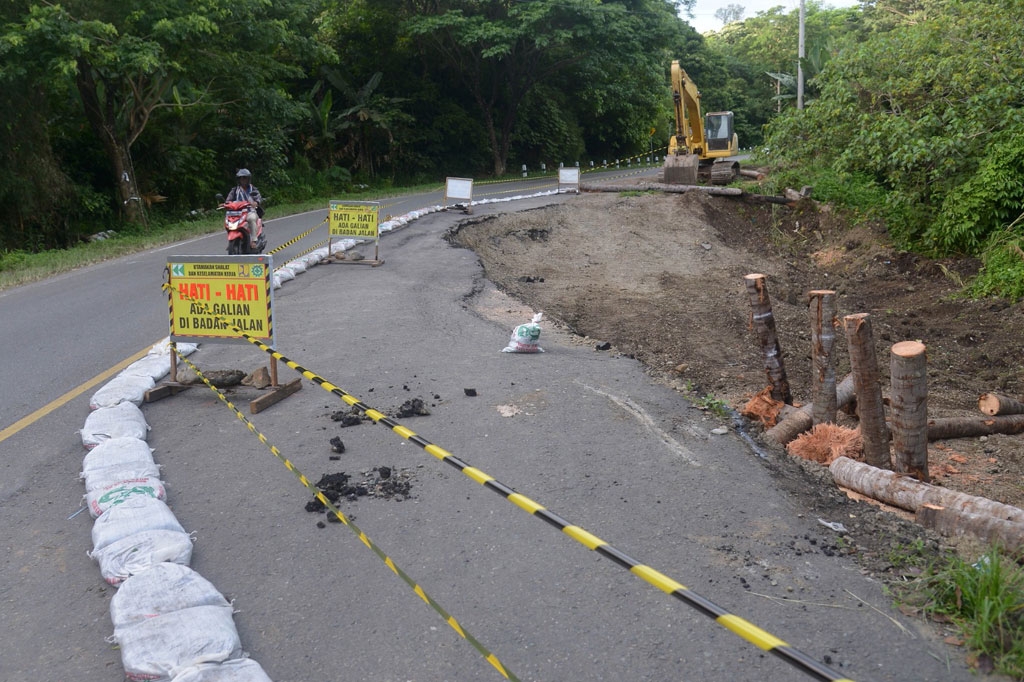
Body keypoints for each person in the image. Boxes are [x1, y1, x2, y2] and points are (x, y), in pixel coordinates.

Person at [225, 168, 263, 244]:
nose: (242, 180)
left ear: (248, 179)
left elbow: (258, 198)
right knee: (228, 221)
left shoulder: (253, 189)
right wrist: (225, 204)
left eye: (244, 178)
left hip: (250, 211)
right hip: (237, 213)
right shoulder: (235, 190)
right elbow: (228, 200)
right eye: (240, 178)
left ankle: (253, 240)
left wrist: (256, 202)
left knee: (251, 219)